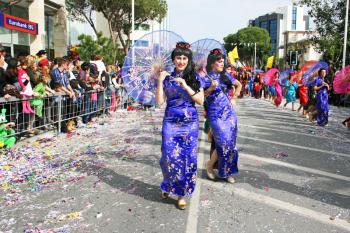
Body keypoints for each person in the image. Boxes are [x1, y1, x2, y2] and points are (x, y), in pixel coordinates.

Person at [156, 42, 204, 210]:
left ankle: (182, 193)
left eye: (184, 58)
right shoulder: (167, 77)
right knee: (168, 156)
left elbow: (200, 100)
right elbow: (160, 101)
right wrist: (160, 80)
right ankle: (168, 185)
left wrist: (186, 85)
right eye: (178, 58)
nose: (181, 61)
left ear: (188, 59)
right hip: (170, 120)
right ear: (173, 59)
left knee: (186, 158)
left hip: (189, 123)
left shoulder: (194, 77)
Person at [203, 48, 242, 184]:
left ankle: (227, 172)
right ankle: (210, 165)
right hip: (215, 114)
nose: (222, 63)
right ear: (213, 63)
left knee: (230, 144)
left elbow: (239, 85)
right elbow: (200, 97)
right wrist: (210, 88)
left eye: (223, 61)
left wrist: (234, 98)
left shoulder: (226, 76)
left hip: (229, 114)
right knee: (222, 143)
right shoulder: (206, 78)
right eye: (219, 61)